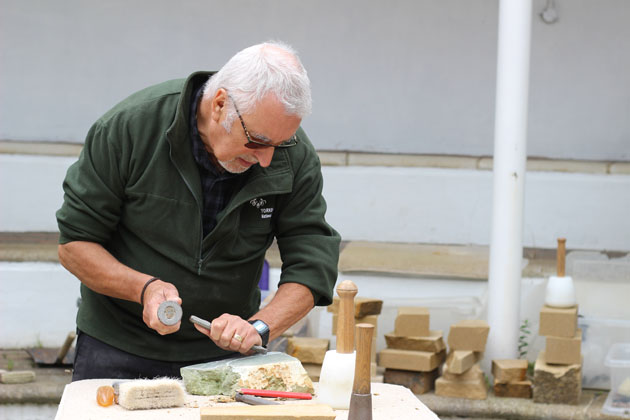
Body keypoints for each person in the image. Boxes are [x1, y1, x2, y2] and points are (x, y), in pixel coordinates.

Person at [56, 41, 340, 380]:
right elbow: (75, 245)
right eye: (258, 141)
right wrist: (142, 288)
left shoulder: (293, 154)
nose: (266, 159)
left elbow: (312, 263)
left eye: (278, 146)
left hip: (225, 358)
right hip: (118, 345)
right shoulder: (130, 129)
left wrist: (260, 327)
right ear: (220, 105)